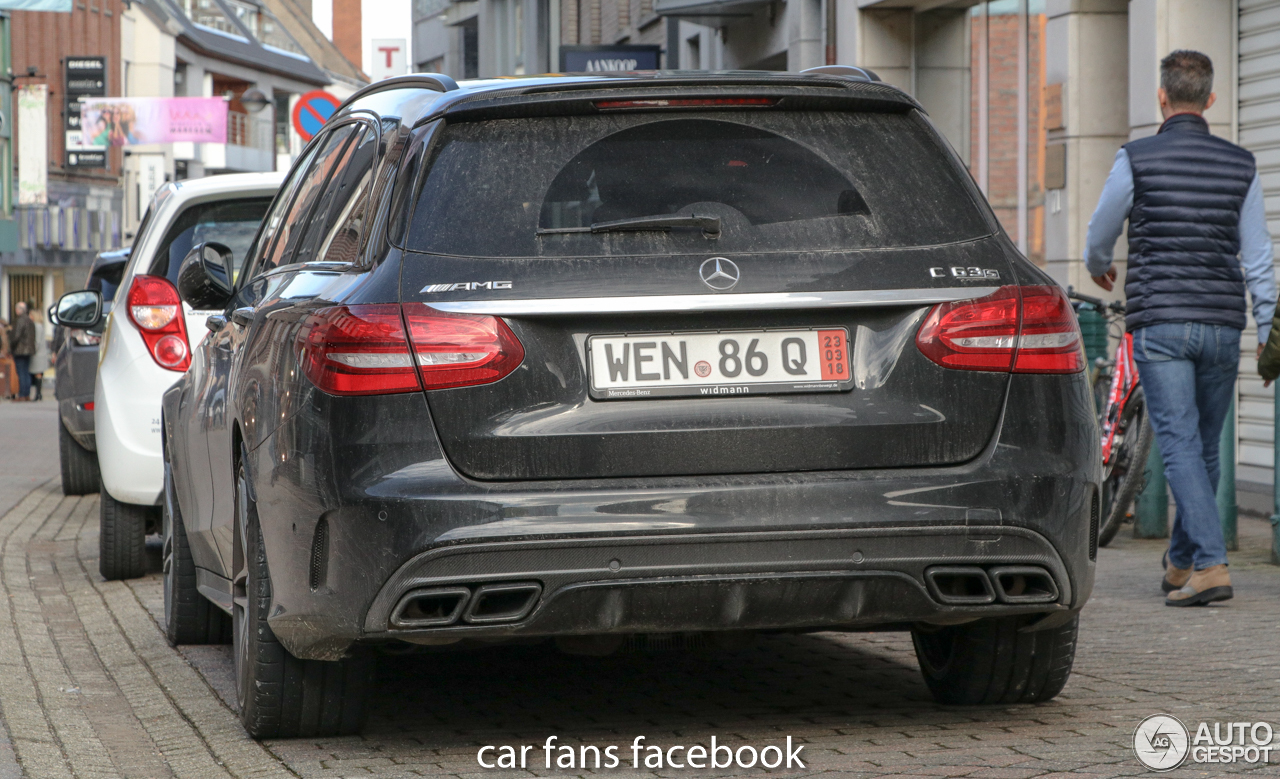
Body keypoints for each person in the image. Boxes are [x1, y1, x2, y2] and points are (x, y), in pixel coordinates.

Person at [1085, 50, 1277, 607]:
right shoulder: (1241, 165)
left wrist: (1099, 262)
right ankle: (1182, 561)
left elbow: (1102, 228)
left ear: (1162, 99)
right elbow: (1260, 259)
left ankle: (1212, 566)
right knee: (1202, 446)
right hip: (1221, 323)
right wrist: (1267, 328)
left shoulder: (1136, 158)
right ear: (1211, 99)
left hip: (1161, 322)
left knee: (1178, 443)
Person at [9, 301, 35, 402]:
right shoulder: (30, 320)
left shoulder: (20, 321)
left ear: (19, 310)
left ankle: (22, 394)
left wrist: (11, 347)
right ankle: (26, 394)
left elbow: (16, 336)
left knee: (21, 372)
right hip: (28, 350)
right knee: (26, 372)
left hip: (20, 350)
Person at [27, 303, 47, 401]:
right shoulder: (40, 325)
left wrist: (32, 350)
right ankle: (38, 393)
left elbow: (37, 341)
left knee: (37, 373)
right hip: (41, 353)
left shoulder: (36, 326)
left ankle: (38, 394)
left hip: (37, 354)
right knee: (38, 374)